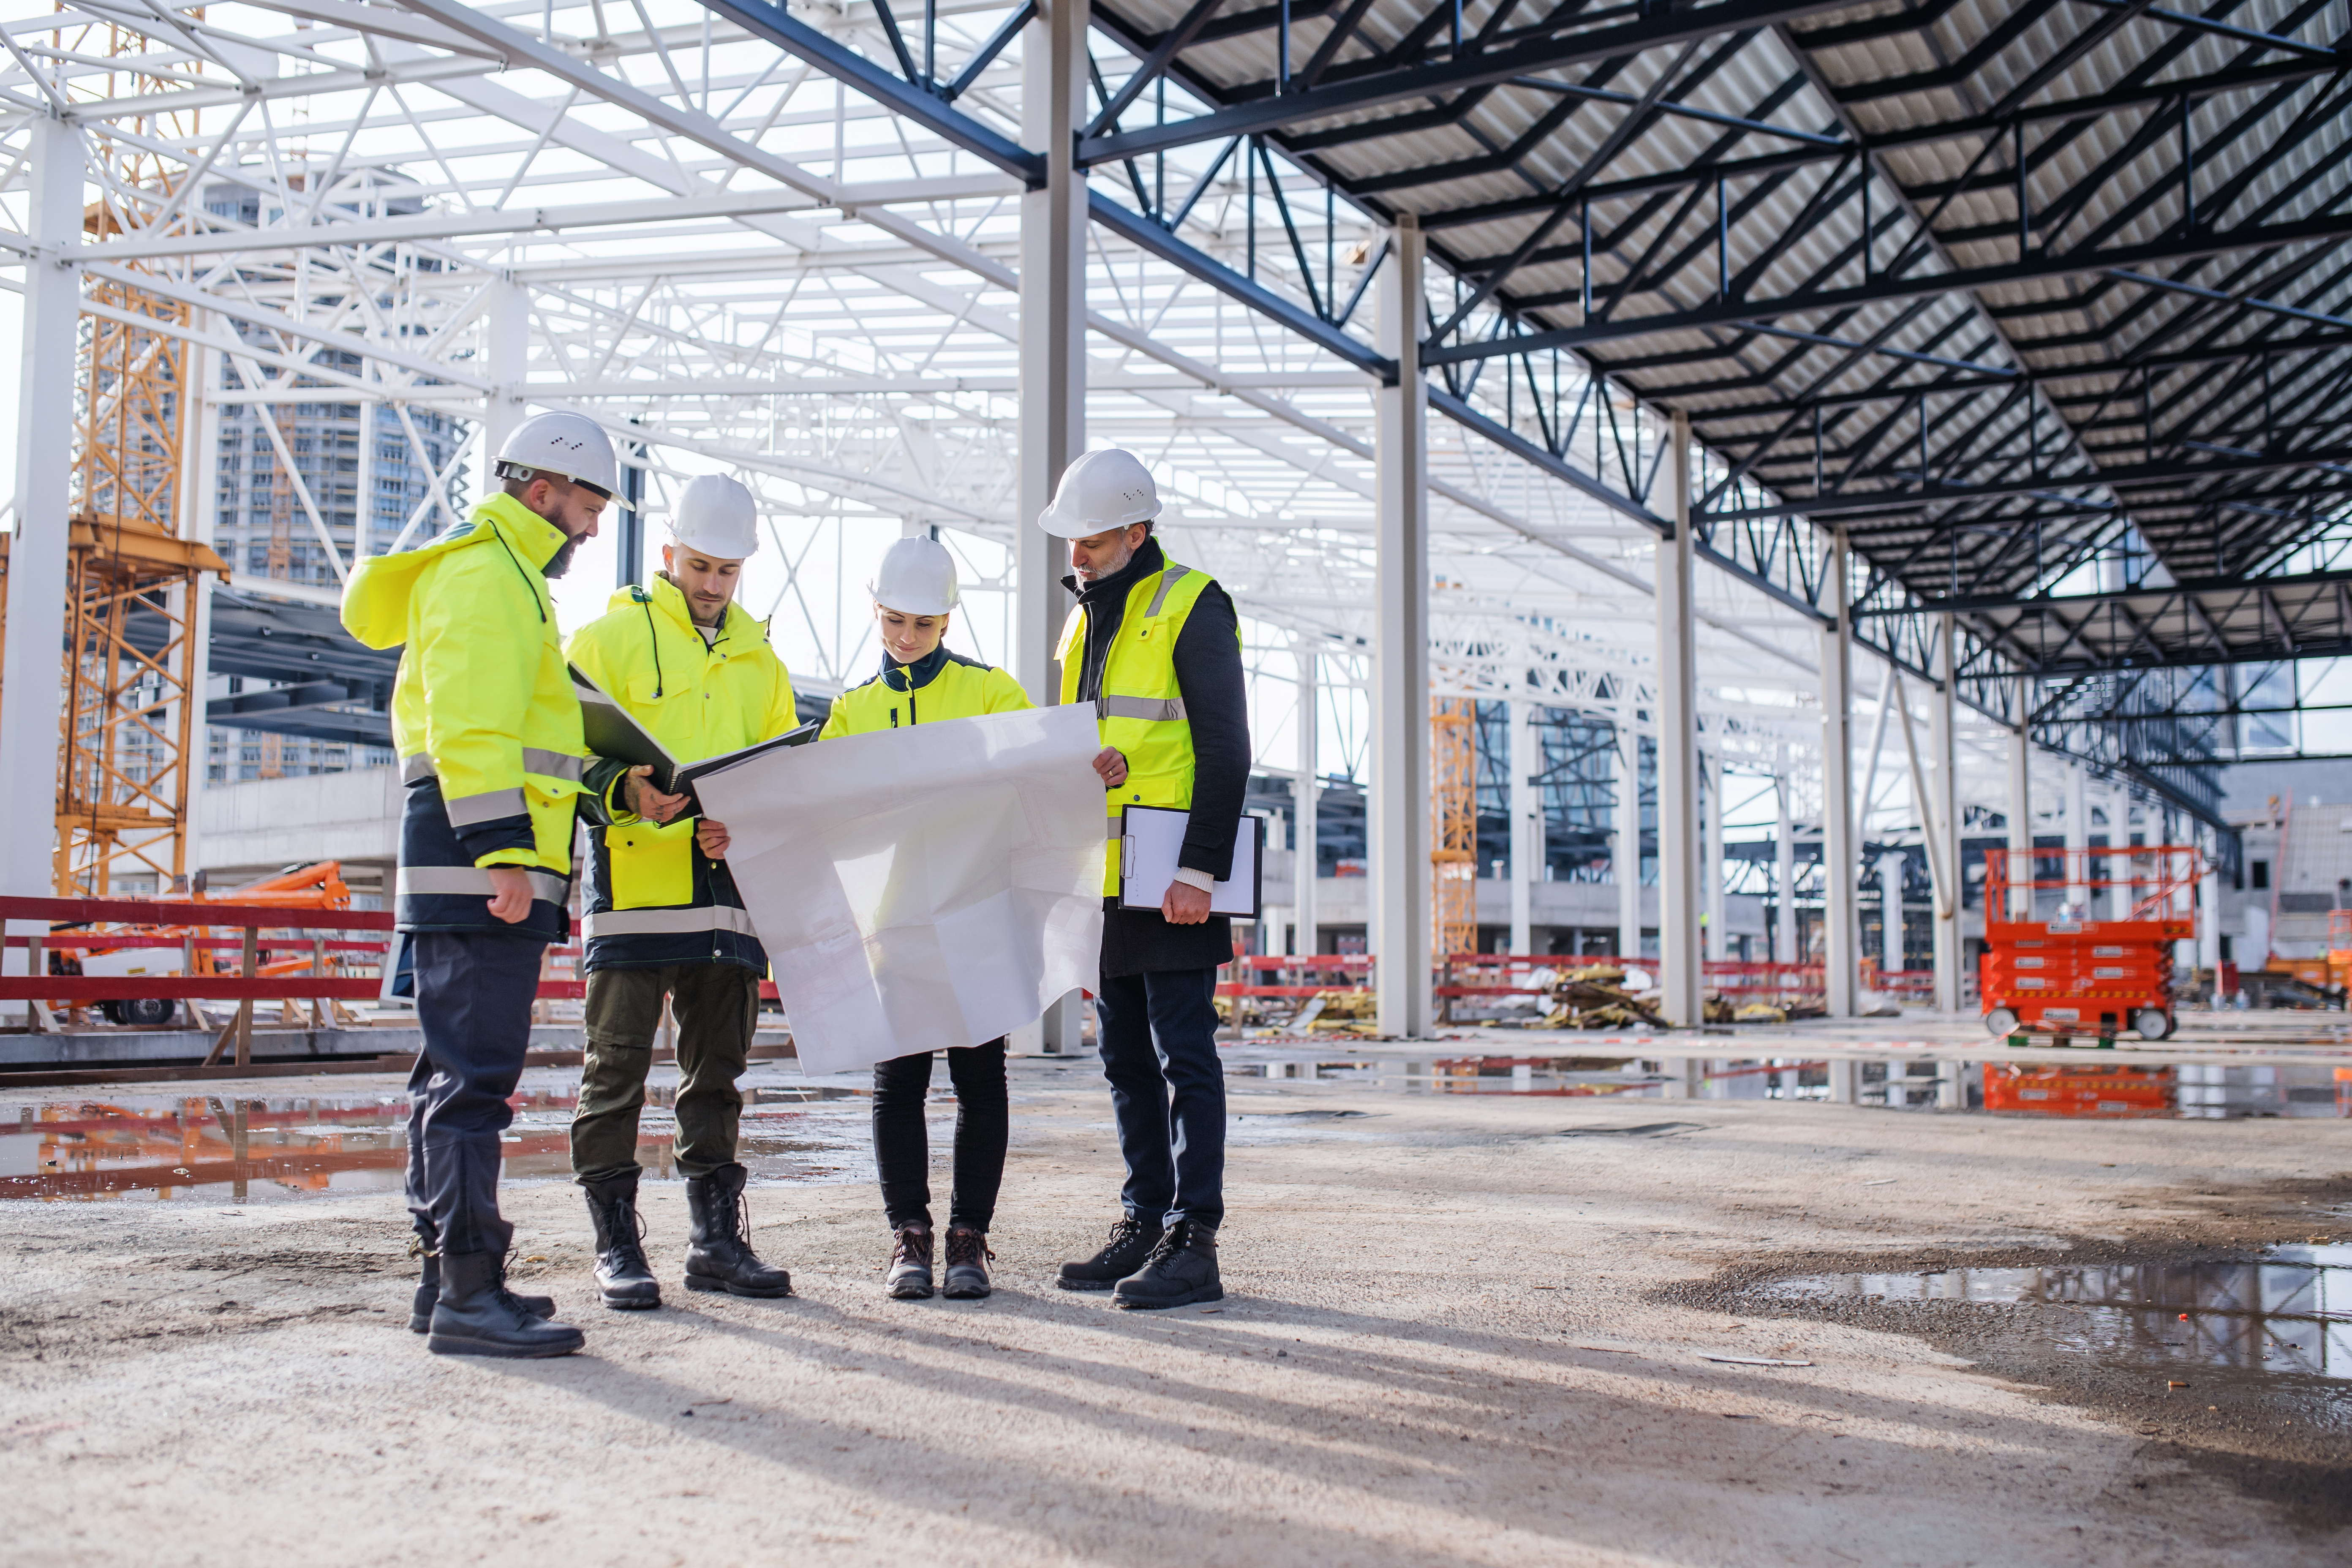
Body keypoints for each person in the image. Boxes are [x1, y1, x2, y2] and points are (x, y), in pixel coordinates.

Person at [341, 409, 626, 1358]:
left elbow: (529, 733)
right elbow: (469, 729)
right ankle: (469, 1290)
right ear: (541, 490)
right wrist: (505, 853)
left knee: (449, 1077)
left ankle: (446, 1280)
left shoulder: (502, 577)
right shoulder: (483, 575)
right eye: (585, 507)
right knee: (472, 1084)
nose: (590, 529)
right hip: (479, 866)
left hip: (477, 862)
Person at [564, 474, 798, 1309]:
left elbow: (779, 779)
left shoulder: (762, 664)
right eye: (700, 565)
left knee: (717, 1073)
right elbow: (557, 750)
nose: (711, 584)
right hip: (634, 887)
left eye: (727, 571)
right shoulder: (609, 638)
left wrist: (750, 821)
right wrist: (620, 788)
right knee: (616, 1066)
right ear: (669, 555)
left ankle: (717, 1241)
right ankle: (618, 1243)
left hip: (725, 894)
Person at [1041, 449, 1250, 1310]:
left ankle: (1194, 1237)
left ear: (1136, 530)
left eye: (1091, 539)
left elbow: (1227, 744)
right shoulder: (1082, 624)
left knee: (1184, 1055)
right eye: (1073, 540)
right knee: (1126, 1060)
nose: (1078, 554)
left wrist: (1201, 869)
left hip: (1171, 874)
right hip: (1106, 872)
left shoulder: (1194, 603)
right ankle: (1143, 1216)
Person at [819, 535, 1034, 1300]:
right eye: (894, 621)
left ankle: (969, 1238)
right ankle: (908, 1235)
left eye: (924, 624)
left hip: (978, 914)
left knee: (982, 1082)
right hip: (897, 922)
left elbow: (1039, 777)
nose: (908, 638)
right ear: (876, 612)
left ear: (949, 619)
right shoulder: (852, 711)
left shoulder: (992, 692)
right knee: (899, 1082)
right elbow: (823, 813)